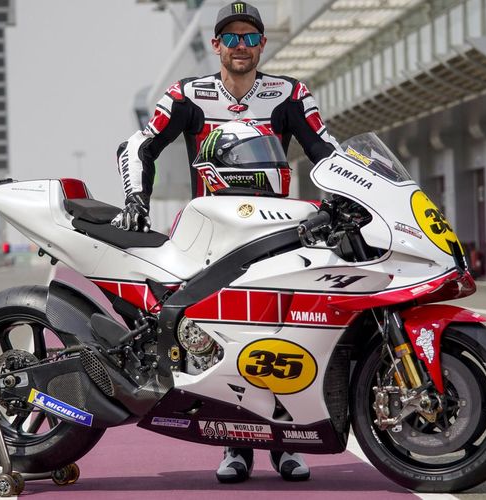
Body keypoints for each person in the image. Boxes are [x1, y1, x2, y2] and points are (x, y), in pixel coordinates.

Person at [112, 1, 341, 483]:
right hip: (212, 235)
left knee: (282, 332)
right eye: (231, 38)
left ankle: (284, 442)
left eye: (250, 37)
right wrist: (135, 201)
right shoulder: (187, 95)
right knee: (221, 336)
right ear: (216, 44)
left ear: (262, 44)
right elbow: (138, 145)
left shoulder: (290, 94)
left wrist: (350, 198)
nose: (241, 46)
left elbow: (327, 151)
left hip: (276, 233)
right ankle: (234, 443)